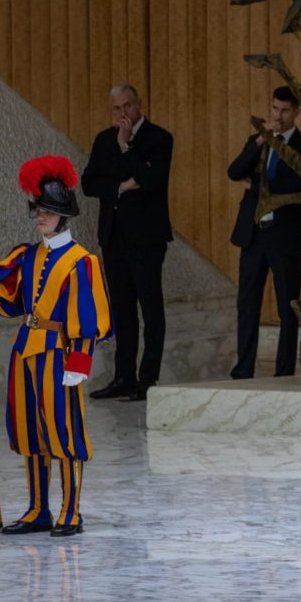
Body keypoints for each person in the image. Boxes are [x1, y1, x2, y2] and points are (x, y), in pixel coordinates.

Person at [0, 156, 112, 537]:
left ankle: (70, 511)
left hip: (60, 355)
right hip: (26, 351)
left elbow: (88, 315)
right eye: (38, 209)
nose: (40, 216)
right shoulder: (27, 255)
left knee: (63, 433)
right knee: (30, 432)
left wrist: (80, 359)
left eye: (47, 210)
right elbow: (5, 293)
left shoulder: (81, 262)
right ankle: (39, 509)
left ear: (64, 216)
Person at [81, 84, 174, 402]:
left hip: (146, 238)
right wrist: (120, 187)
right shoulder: (103, 139)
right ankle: (124, 376)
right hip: (114, 235)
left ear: (139, 104)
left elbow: (150, 181)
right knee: (121, 310)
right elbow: (88, 182)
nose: (123, 114)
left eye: (128, 106)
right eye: (116, 109)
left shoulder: (159, 139)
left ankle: (148, 381)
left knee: (150, 309)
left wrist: (127, 150)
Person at [226, 86, 301, 379]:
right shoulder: (259, 141)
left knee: (286, 307)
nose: (278, 116)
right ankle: (243, 370)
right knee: (247, 305)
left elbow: (293, 185)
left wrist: (253, 185)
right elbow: (233, 171)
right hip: (254, 233)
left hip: (285, 235)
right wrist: (259, 140)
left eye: (285, 110)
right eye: (275, 109)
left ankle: (283, 372)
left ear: (296, 112)